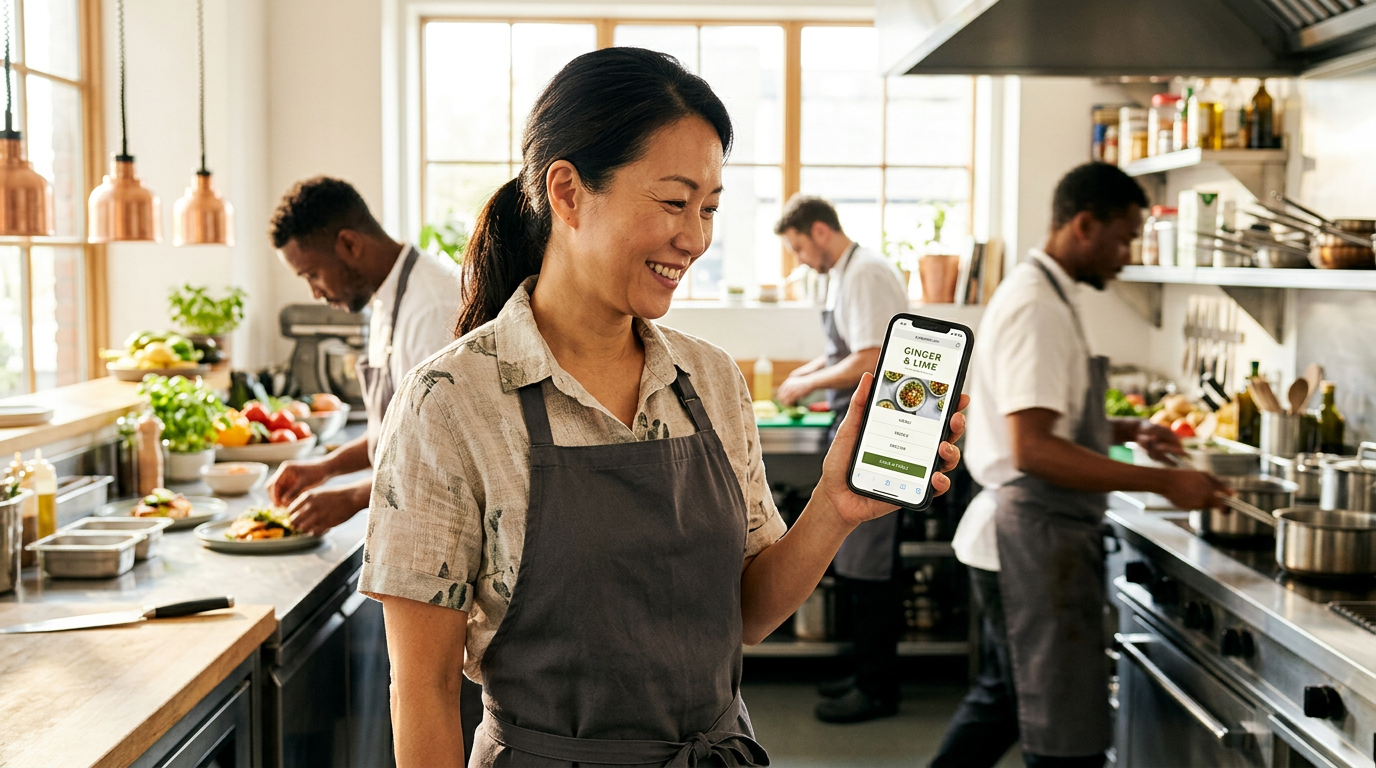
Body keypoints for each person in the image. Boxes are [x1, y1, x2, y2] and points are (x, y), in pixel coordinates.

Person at [359, 48, 967, 768]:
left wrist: (835, 505)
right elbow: (422, 688)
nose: (696, 237)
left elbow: (746, 614)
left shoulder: (708, 379)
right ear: (567, 192)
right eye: (675, 202)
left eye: (709, 208)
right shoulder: (451, 402)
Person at [931, 162, 1228, 768]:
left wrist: (1124, 430)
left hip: (1031, 537)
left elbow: (1043, 417)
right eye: (1123, 238)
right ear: (1084, 225)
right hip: (1028, 539)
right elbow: (1033, 448)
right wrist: (1168, 482)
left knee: (1006, 705)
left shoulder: (1047, 293)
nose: (1127, 255)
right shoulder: (1037, 306)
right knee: (1058, 731)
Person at [773, 196, 912, 723]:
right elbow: (844, 353)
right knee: (855, 562)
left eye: (799, 247)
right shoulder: (847, 273)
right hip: (860, 430)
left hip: (881, 434)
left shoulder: (868, 273)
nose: (801, 259)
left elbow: (873, 357)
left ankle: (878, 689)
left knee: (871, 565)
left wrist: (807, 381)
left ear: (821, 231)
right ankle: (862, 673)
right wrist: (806, 375)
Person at [266, 177, 462, 535]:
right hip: (406, 522)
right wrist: (325, 468)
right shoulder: (386, 298)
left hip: (440, 536)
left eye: (312, 274)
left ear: (348, 244)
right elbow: (397, 432)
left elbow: (444, 455)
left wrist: (353, 498)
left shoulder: (434, 307)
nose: (314, 293)